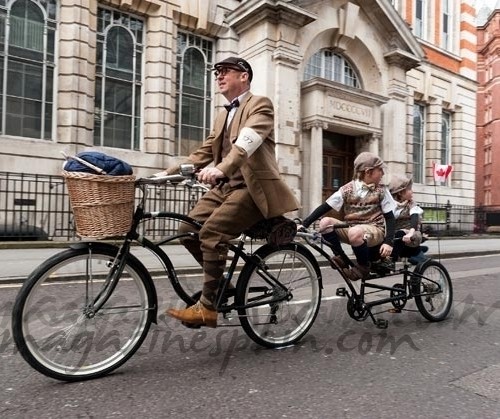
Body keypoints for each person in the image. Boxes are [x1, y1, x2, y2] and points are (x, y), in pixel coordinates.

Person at [156, 56, 299, 328]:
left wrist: (221, 168)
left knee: (211, 234)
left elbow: (247, 143)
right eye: (216, 73)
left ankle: (207, 307)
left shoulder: (260, 105)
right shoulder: (223, 114)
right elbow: (204, 151)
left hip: (252, 189)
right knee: (187, 230)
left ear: (243, 76)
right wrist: (167, 173)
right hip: (225, 188)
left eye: (225, 71)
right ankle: (223, 287)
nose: (219, 76)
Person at [300, 152, 396, 281]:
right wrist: (304, 224)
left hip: (375, 229)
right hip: (352, 229)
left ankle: (363, 267)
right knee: (325, 223)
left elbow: (390, 218)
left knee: (355, 232)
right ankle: (341, 258)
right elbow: (325, 207)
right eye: (380, 170)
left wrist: (388, 242)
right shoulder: (346, 189)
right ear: (368, 172)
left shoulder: (382, 191)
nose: (383, 174)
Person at [388, 174, 428, 265]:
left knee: (400, 233)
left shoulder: (412, 204)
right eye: (409, 189)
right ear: (400, 192)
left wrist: (411, 232)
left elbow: (414, 217)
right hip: (395, 239)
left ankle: (391, 261)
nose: (412, 192)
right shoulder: (390, 204)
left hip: (410, 236)